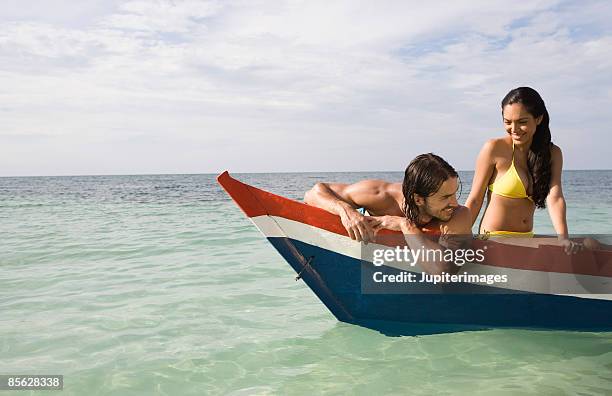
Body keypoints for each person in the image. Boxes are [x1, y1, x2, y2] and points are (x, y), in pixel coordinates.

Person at [304, 153, 472, 274]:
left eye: (455, 193)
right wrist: (346, 212)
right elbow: (313, 194)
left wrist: (404, 225)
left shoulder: (458, 214)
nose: (455, 203)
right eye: (446, 197)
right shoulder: (383, 196)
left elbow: (443, 271)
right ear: (418, 199)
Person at [465, 87, 582, 254]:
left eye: (522, 122)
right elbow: (475, 199)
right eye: (507, 122)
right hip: (493, 239)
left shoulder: (552, 154)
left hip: (526, 238)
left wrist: (563, 238)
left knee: (589, 244)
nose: (514, 129)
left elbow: (555, 197)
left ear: (539, 119)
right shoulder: (494, 148)